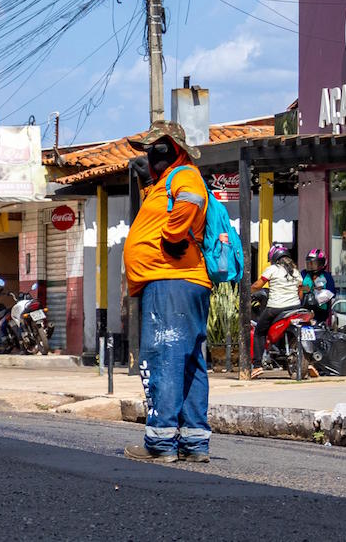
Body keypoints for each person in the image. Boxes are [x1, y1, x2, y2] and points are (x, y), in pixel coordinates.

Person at [122, 120, 212, 464]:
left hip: (170, 279)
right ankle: (193, 443)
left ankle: (160, 443)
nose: (150, 157)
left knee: (164, 357)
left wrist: (172, 238)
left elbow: (190, 201)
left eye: (156, 151)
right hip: (179, 280)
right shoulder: (164, 182)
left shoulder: (185, 175)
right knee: (188, 361)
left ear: (173, 150)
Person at [250, 244, 304, 378]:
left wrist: (247, 291)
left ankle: (257, 366)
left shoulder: (272, 269)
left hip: (275, 307)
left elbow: (258, 285)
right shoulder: (295, 272)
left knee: (259, 332)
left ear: (274, 258)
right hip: (295, 307)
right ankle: (309, 363)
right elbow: (300, 291)